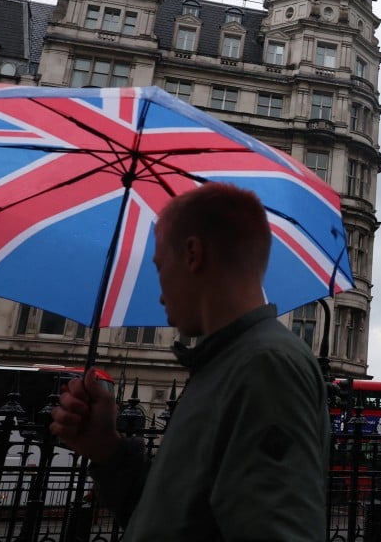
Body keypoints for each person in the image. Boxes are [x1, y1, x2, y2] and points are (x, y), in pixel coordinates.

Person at [49, 182, 330, 541]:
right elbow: (174, 520)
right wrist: (106, 447)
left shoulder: (264, 367)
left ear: (193, 253)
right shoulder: (227, 364)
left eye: (160, 264)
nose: (160, 289)